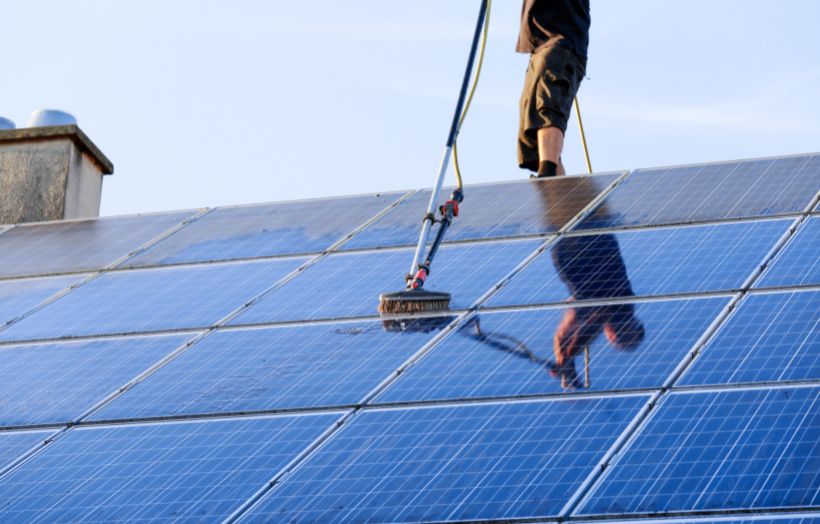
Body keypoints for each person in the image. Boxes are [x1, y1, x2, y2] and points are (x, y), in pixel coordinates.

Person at [517, 0, 590, 178]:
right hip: (540, 47)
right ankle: (558, 193)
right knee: (532, 122)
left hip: (561, 44)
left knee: (548, 108)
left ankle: (547, 174)